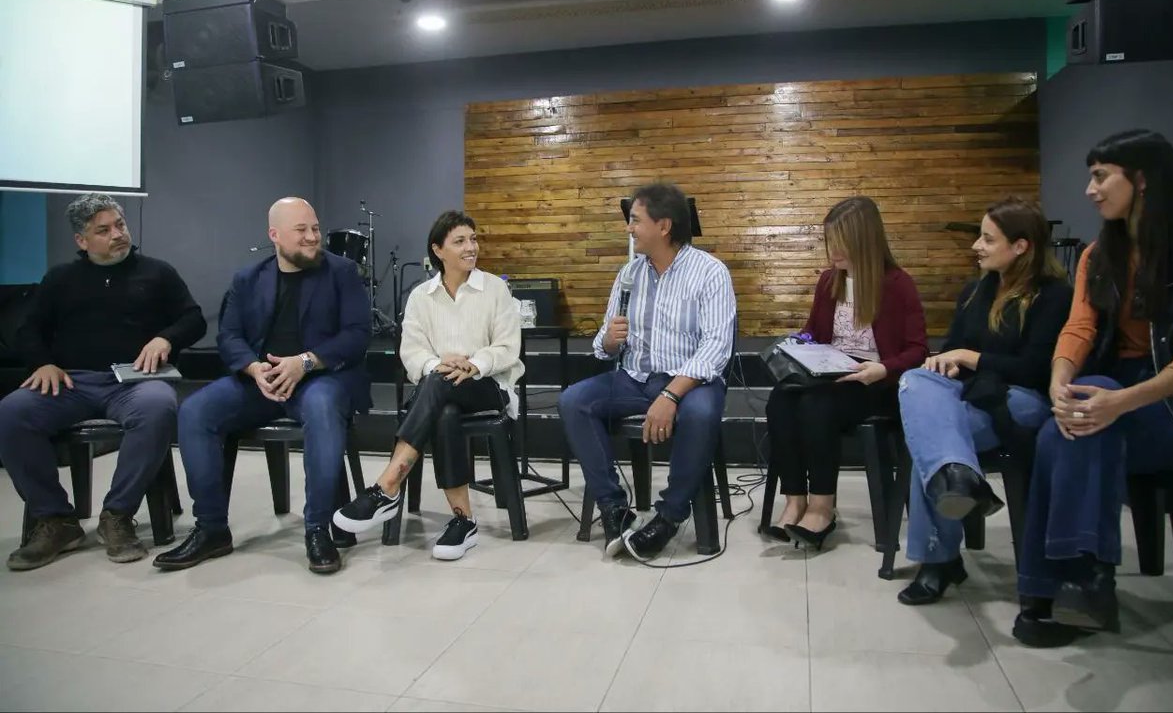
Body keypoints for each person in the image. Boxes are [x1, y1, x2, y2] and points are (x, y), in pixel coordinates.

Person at [1014, 130, 1173, 647]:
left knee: (1073, 427)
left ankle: (1052, 589)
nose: (1090, 190)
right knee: (1068, 421)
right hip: (1109, 391)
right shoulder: (1099, 255)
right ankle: (1083, 581)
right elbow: (1078, 330)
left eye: (1100, 177)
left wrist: (1121, 402)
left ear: (1141, 179)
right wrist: (1060, 380)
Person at [154, 197, 370, 575]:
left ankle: (318, 528)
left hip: (320, 379)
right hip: (261, 383)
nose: (312, 237)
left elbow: (357, 334)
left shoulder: (342, 272)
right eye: (301, 230)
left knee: (322, 408)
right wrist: (254, 369)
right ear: (275, 235)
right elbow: (229, 336)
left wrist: (304, 362)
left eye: (315, 228)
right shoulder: (248, 279)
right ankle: (211, 529)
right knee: (195, 411)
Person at [0, 193, 205, 570]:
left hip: (135, 381)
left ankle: (117, 515)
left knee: (158, 407)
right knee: (12, 412)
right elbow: (29, 329)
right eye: (104, 230)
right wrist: (42, 363)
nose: (117, 234)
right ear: (82, 240)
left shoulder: (157, 272)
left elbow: (193, 319)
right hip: (72, 382)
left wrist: (166, 338)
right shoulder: (61, 279)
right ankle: (56, 519)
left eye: (120, 225)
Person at [895, 198, 1071, 605]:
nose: (977, 246)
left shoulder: (1055, 296)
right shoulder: (975, 292)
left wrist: (970, 358)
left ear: (1021, 246)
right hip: (970, 394)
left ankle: (939, 561)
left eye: (988, 239)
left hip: (1021, 399)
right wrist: (947, 362)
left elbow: (1035, 370)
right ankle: (961, 480)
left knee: (931, 444)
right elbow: (953, 349)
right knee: (915, 380)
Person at [558, 182, 736, 560]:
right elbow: (604, 346)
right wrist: (609, 340)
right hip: (634, 378)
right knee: (574, 401)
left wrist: (671, 394)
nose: (630, 228)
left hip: (690, 381)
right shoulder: (630, 274)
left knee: (700, 413)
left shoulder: (710, 272)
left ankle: (669, 517)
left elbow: (716, 348)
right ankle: (614, 508)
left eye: (636, 220)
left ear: (664, 226)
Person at [333, 210, 524, 561]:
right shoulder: (421, 296)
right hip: (441, 390)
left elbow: (508, 347)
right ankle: (463, 520)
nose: (471, 247)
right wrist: (440, 364)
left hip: (487, 388)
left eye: (473, 239)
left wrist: (473, 364)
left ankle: (388, 485)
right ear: (438, 250)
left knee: (439, 384)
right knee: (445, 410)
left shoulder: (495, 289)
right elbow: (412, 352)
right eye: (460, 241)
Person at [764, 196, 927, 549]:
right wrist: (798, 344)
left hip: (875, 381)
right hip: (829, 374)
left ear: (864, 241)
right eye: (830, 241)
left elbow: (918, 350)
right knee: (780, 400)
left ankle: (823, 507)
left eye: (840, 242)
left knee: (817, 405)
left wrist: (883, 369)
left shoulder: (898, 284)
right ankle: (795, 500)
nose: (832, 251)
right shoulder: (829, 281)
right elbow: (814, 333)